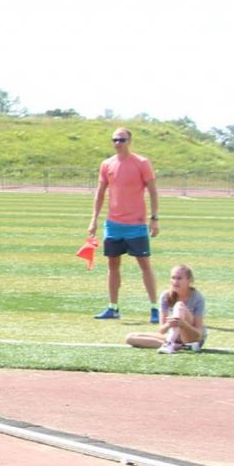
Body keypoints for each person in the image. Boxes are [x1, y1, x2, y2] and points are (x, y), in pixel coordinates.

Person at [86, 127, 161, 323]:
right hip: (113, 224)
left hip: (135, 224)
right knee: (112, 265)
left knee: (144, 264)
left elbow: (153, 191)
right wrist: (93, 219)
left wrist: (154, 218)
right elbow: (100, 193)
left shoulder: (142, 163)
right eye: (115, 140)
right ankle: (113, 307)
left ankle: (155, 308)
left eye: (122, 139)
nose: (118, 143)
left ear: (129, 141)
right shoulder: (107, 164)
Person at [125, 265, 206, 353]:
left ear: (189, 280)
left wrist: (183, 324)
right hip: (175, 338)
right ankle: (176, 346)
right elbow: (162, 330)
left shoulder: (197, 297)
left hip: (192, 340)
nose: (175, 281)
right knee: (130, 338)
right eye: (173, 278)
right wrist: (169, 324)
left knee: (179, 306)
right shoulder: (165, 296)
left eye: (179, 278)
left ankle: (170, 343)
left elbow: (199, 334)